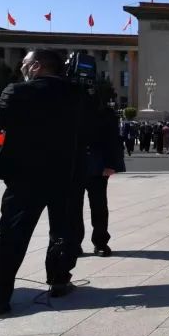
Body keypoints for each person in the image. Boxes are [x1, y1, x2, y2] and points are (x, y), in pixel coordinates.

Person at [0, 49, 84, 317]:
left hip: (26, 176)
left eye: (25, 63)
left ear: (35, 66)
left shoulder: (19, 91)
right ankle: (59, 280)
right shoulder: (78, 94)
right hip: (67, 174)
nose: (21, 67)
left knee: (12, 236)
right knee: (63, 231)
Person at [74, 101, 125, 256]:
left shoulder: (104, 111)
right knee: (72, 208)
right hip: (74, 166)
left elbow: (113, 139)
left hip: (97, 166)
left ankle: (100, 242)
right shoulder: (68, 106)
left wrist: (111, 164)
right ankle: (73, 243)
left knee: (99, 207)